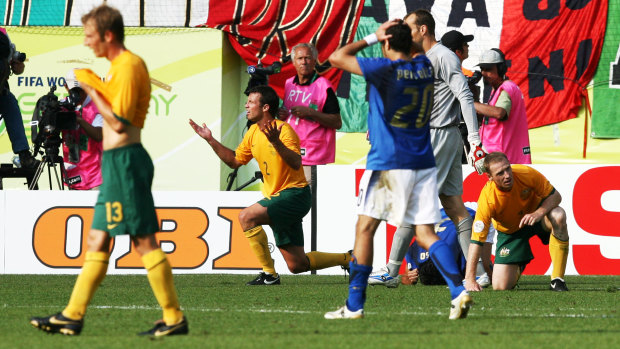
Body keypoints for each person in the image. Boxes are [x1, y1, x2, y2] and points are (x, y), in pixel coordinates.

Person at [30, 4, 188, 337]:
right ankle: (72, 315)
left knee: (143, 241)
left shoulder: (129, 66)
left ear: (108, 34)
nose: (87, 43)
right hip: (115, 164)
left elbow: (118, 123)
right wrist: (94, 88)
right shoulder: (118, 68)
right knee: (97, 239)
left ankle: (174, 317)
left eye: (90, 36)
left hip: (126, 162)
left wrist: (90, 89)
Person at [325, 19, 472, 320]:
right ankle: (459, 292)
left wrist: (371, 37)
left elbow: (336, 57)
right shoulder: (424, 68)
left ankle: (354, 306)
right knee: (426, 233)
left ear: (387, 43)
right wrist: (400, 39)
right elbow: (417, 49)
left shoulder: (384, 69)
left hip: (388, 162)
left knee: (365, 229)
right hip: (422, 163)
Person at [367, 10, 488, 289]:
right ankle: (479, 270)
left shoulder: (443, 56)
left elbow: (465, 96)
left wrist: (476, 142)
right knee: (456, 209)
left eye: (409, 29)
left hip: (438, 138)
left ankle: (392, 270)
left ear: (423, 30)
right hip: (434, 137)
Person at [189, 85, 351, 285]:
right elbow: (234, 161)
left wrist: (277, 143)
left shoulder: (283, 130)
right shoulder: (252, 133)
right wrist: (210, 140)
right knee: (297, 265)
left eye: (251, 102)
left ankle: (269, 275)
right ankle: (349, 259)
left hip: (295, 195)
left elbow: (296, 162)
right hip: (279, 198)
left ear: (265, 107)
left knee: (246, 217)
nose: (246, 106)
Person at [464, 152, 569, 292]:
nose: (507, 175)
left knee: (558, 215)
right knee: (500, 287)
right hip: (510, 233)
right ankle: (518, 265)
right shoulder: (488, 198)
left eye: (508, 168)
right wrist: (470, 279)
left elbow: (556, 196)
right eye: (500, 173)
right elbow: (476, 241)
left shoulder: (525, 173)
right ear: (490, 177)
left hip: (537, 218)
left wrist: (539, 213)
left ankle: (557, 280)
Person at [279, 43, 342, 183]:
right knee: (290, 198)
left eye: (308, 58)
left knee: (307, 200)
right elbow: (287, 112)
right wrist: (282, 115)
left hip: (312, 156)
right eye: (300, 58)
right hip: (289, 151)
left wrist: (311, 113)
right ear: (294, 62)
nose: (304, 62)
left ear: (314, 61)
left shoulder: (324, 86)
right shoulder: (289, 83)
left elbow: (337, 122)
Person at [401, 205, 494, 287]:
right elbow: (405, 277)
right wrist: (409, 277)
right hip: (447, 210)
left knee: (483, 271)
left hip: (475, 214)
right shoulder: (418, 255)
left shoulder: (455, 252)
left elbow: (485, 270)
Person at [474, 49, 531, 164]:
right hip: (498, 155)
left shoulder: (506, 88)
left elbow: (499, 113)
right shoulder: (497, 89)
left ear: (500, 69)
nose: (484, 73)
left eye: (488, 69)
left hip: (503, 156)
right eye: (482, 69)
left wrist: (470, 104)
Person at [0, 28, 38, 168]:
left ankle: (23, 154)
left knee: (10, 103)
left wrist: (16, 64)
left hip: (1, 93)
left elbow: (18, 69)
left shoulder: (3, 36)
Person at [62, 69, 103, 190]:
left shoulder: (98, 106)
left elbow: (99, 135)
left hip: (95, 176)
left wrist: (80, 120)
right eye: (73, 90)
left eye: (81, 90)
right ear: (66, 87)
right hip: (73, 174)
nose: (77, 94)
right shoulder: (62, 105)